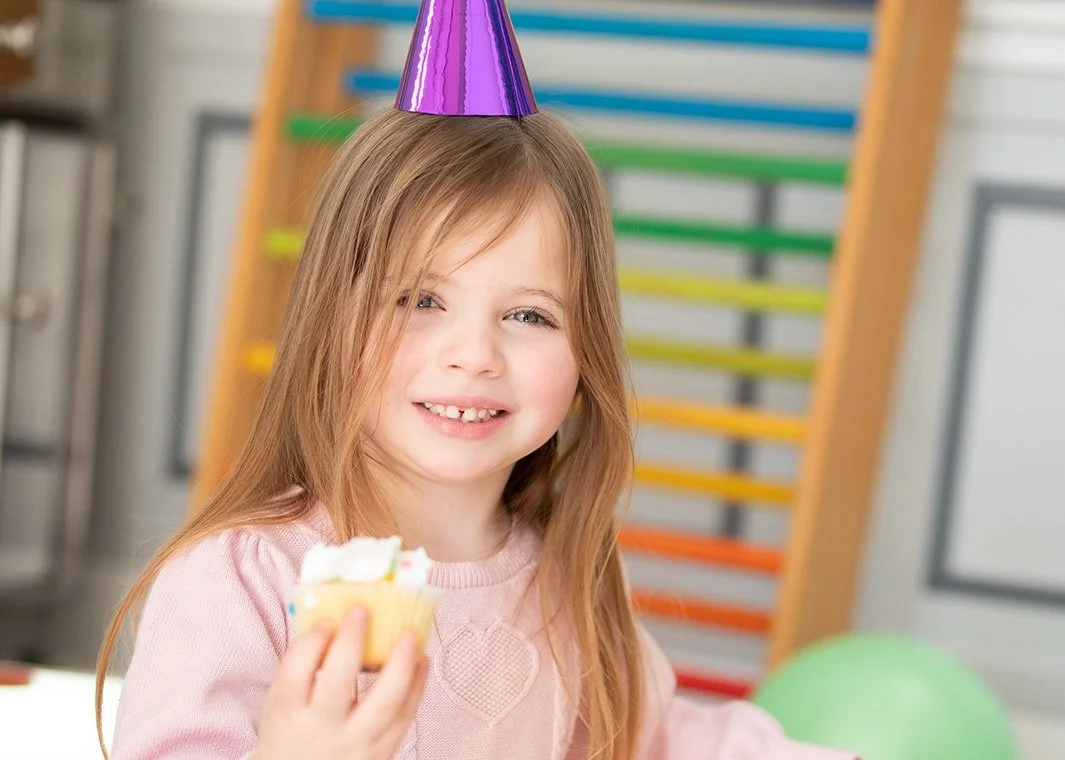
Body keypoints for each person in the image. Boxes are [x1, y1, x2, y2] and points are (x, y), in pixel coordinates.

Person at [96, 1, 858, 758]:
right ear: (331, 320)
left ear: (586, 347)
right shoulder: (243, 580)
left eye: (528, 316)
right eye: (420, 301)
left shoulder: (566, 580)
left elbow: (660, 739)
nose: (474, 355)